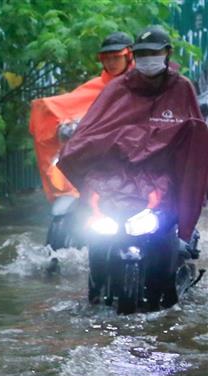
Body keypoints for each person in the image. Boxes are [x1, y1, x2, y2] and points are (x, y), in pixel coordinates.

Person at [59, 25, 208, 246]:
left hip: (163, 173)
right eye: (142, 54)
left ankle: (180, 242)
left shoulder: (182, 88)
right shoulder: (117, 88)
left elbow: (194, 142)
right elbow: (91, 131)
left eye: (153, 53)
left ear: (168, 53)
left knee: (175, 227)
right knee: (92, 207)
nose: (148, 59)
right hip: (118, 172)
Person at [29, 31, 134, 203]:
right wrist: (53, 117)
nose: (111, 63)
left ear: (129, 56)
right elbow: (70, 105)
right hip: (98, 162)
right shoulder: (94, 87)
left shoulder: (143, 85)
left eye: (116, 57)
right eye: (106, 58)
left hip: (136, 161)